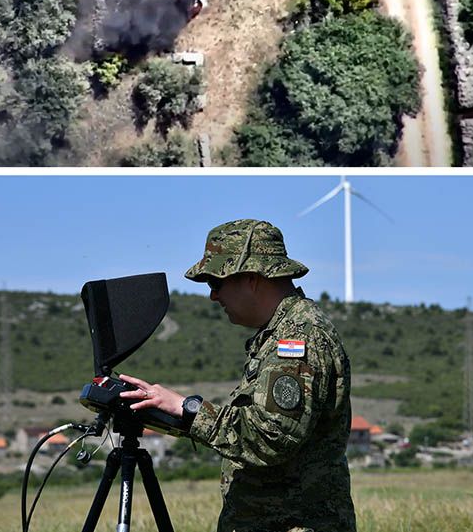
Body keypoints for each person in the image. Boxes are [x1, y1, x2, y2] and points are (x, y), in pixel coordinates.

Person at [117, 219, 356, 532]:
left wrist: (188, 410)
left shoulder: (298, 339)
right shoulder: (279, 334)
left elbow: (270, 439)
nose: (213, 297)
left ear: (252, 278)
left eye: (216, 283)